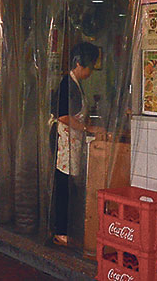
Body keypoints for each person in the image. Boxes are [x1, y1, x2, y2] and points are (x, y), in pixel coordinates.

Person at [51, 41, 102, 247]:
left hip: (72, 141)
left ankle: (64, 229)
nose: (90, 71)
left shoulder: (76, 84)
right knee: (62, 186)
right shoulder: (67, 84)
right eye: (89, 66)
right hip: (63, 142)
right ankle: (59, 232)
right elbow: (63, 115)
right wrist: (87, 128)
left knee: (68, 185)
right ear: (79, 64)